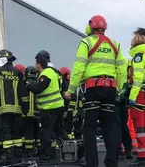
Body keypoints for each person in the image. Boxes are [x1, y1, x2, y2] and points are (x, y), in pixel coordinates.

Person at [65, 15, 126, 167]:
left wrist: (71, 89)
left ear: (90, 27)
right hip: (111, 88)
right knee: (109, 127)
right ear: (104, 27)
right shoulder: (115, 44)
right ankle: (112, 162)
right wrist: (118, 88)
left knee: (90, 127)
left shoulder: (86, 42)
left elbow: (79, 67)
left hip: (92, 88)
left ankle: (92, 163)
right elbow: (122, 69)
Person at [0, 49, 27, 166]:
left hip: (2, 109)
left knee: (6, 132)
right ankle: (18, 155)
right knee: (16, 132)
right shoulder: (18, 72)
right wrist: (25, 107)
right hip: (17, 109)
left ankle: (9, 157)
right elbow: (23, 92)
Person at [24, 56, 68, 162]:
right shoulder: (52, 72)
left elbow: (39, 89)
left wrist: (28, 85)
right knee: (59, 131)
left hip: (49, 108)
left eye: (36, 63)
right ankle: (70, 151)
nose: (35, 65)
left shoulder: (46, 74)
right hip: (57, 106)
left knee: (45, 132)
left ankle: (45, 156)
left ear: (39, 64)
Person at [127, 28, 145, 166]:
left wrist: (132, 96)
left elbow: (138, 78)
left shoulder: (139, 55)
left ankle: (142, 155)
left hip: (140, 94)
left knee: (139, 125)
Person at [60, 67, 75, 139]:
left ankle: (69, 140)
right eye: (67, 74)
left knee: (69, 127)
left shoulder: (69, 83)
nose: (69, 76)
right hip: (65, 109)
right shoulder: (63, 84)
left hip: (70, 110)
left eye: (69, 74)